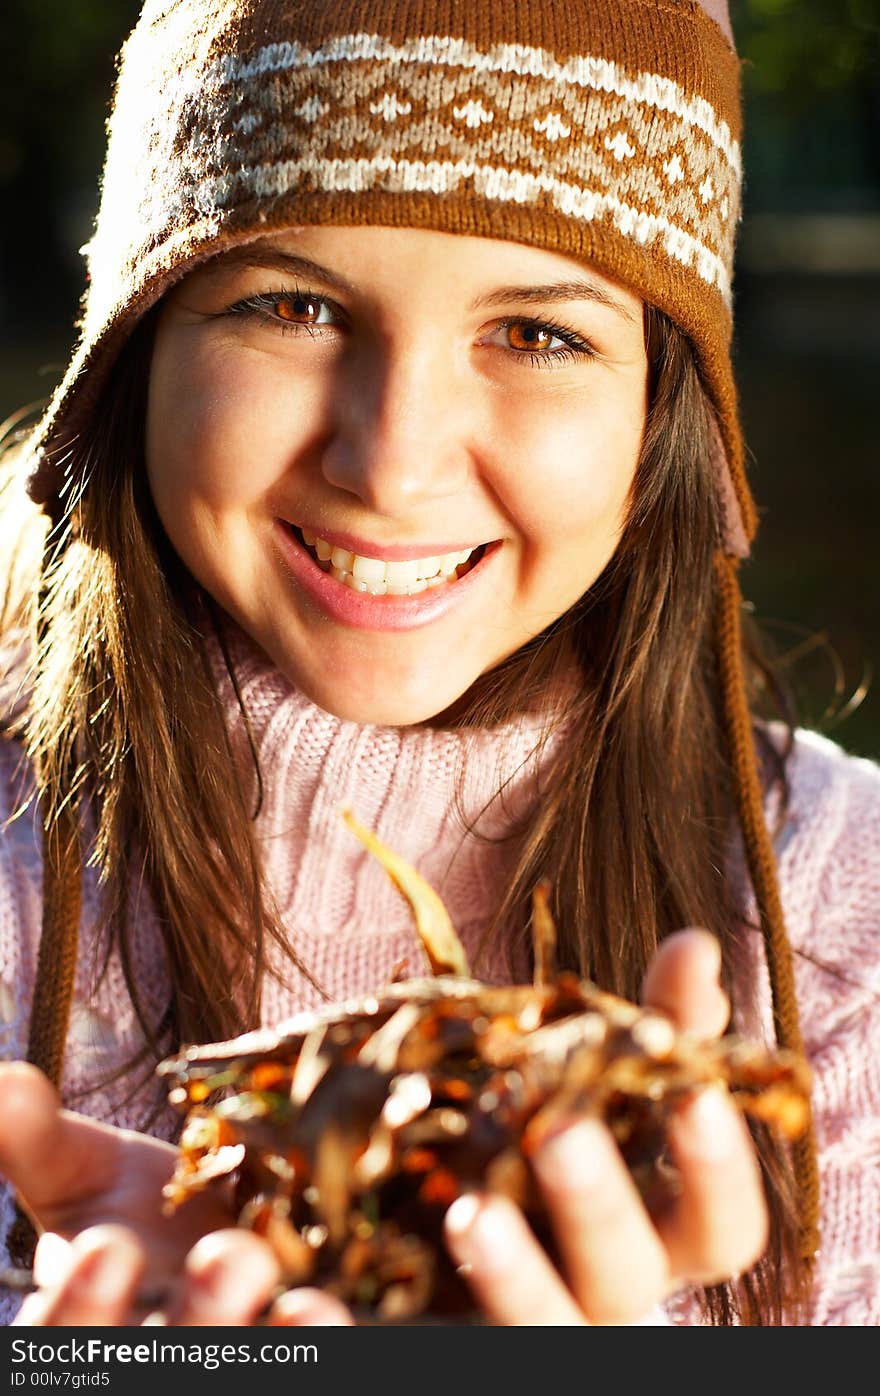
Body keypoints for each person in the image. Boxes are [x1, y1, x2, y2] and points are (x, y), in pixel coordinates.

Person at [0, 0, 876, 1328]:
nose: (392, 465)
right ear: (133, 352)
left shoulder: (847, 934)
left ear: (664, 412)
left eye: (538, 334)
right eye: (289, 303)